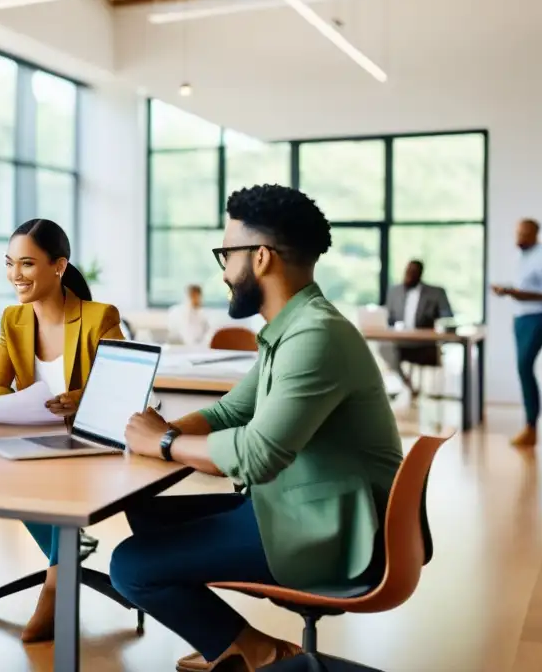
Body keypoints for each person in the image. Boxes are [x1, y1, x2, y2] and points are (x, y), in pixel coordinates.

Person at [110, 185, 405, 672]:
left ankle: (256, 652)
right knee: (147, 514)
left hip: (332, 530)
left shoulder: (315, 336)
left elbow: (257, 454)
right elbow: (230, 412)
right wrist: (154, 430)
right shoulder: (292, 329)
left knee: (131, 566)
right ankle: (231, 644)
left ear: (261, 257)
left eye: (227, 254)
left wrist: (163, 443)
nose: (223, 271)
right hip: (302, 508)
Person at [0, 218, 124, 649]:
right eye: (10, 263)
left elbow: (122, 388)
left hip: (89, 447)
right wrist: (24, 402)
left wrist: (79, 400)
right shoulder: (14, 320)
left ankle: (54, 585)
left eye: (27, 264)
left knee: (18, 477)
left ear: (59, 266)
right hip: (37, 439)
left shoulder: (98, 317)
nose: (16, 275)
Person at [492, 218, 542, 448]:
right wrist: (510, 291)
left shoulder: (541, 256)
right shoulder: (521, 258)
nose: (519, 237)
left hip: (537, 317)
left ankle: (531, 424)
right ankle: (530, 428)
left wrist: (517, 293)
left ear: (535, 234)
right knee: (523, 369)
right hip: (521, 318)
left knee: (524, 365)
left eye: (524, 233)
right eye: (518, 232)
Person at [380, 260, 453, 397]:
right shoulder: (394, 292)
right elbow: (387, 317)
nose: (409, 275)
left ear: (420, 274)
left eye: (413, 272)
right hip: (401, 342)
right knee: (383, 346)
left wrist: (437, 323)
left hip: (426, 344)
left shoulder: (435, 293)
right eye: (407, 271)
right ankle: (407, 384)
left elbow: (447, 316)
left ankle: (410, 388)